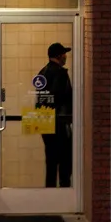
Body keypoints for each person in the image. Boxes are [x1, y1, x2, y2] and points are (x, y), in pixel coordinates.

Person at [37, 42, 73, 188]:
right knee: (65, 160)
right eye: (64, 53)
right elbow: (58, 97)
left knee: (51, 161)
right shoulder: (60, 73)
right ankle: (64, 193)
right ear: (59, 55)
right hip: (59, 121)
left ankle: (49, 193)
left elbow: (42, 99)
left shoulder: (43, 72)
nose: (66, 56)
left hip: (44, 121)